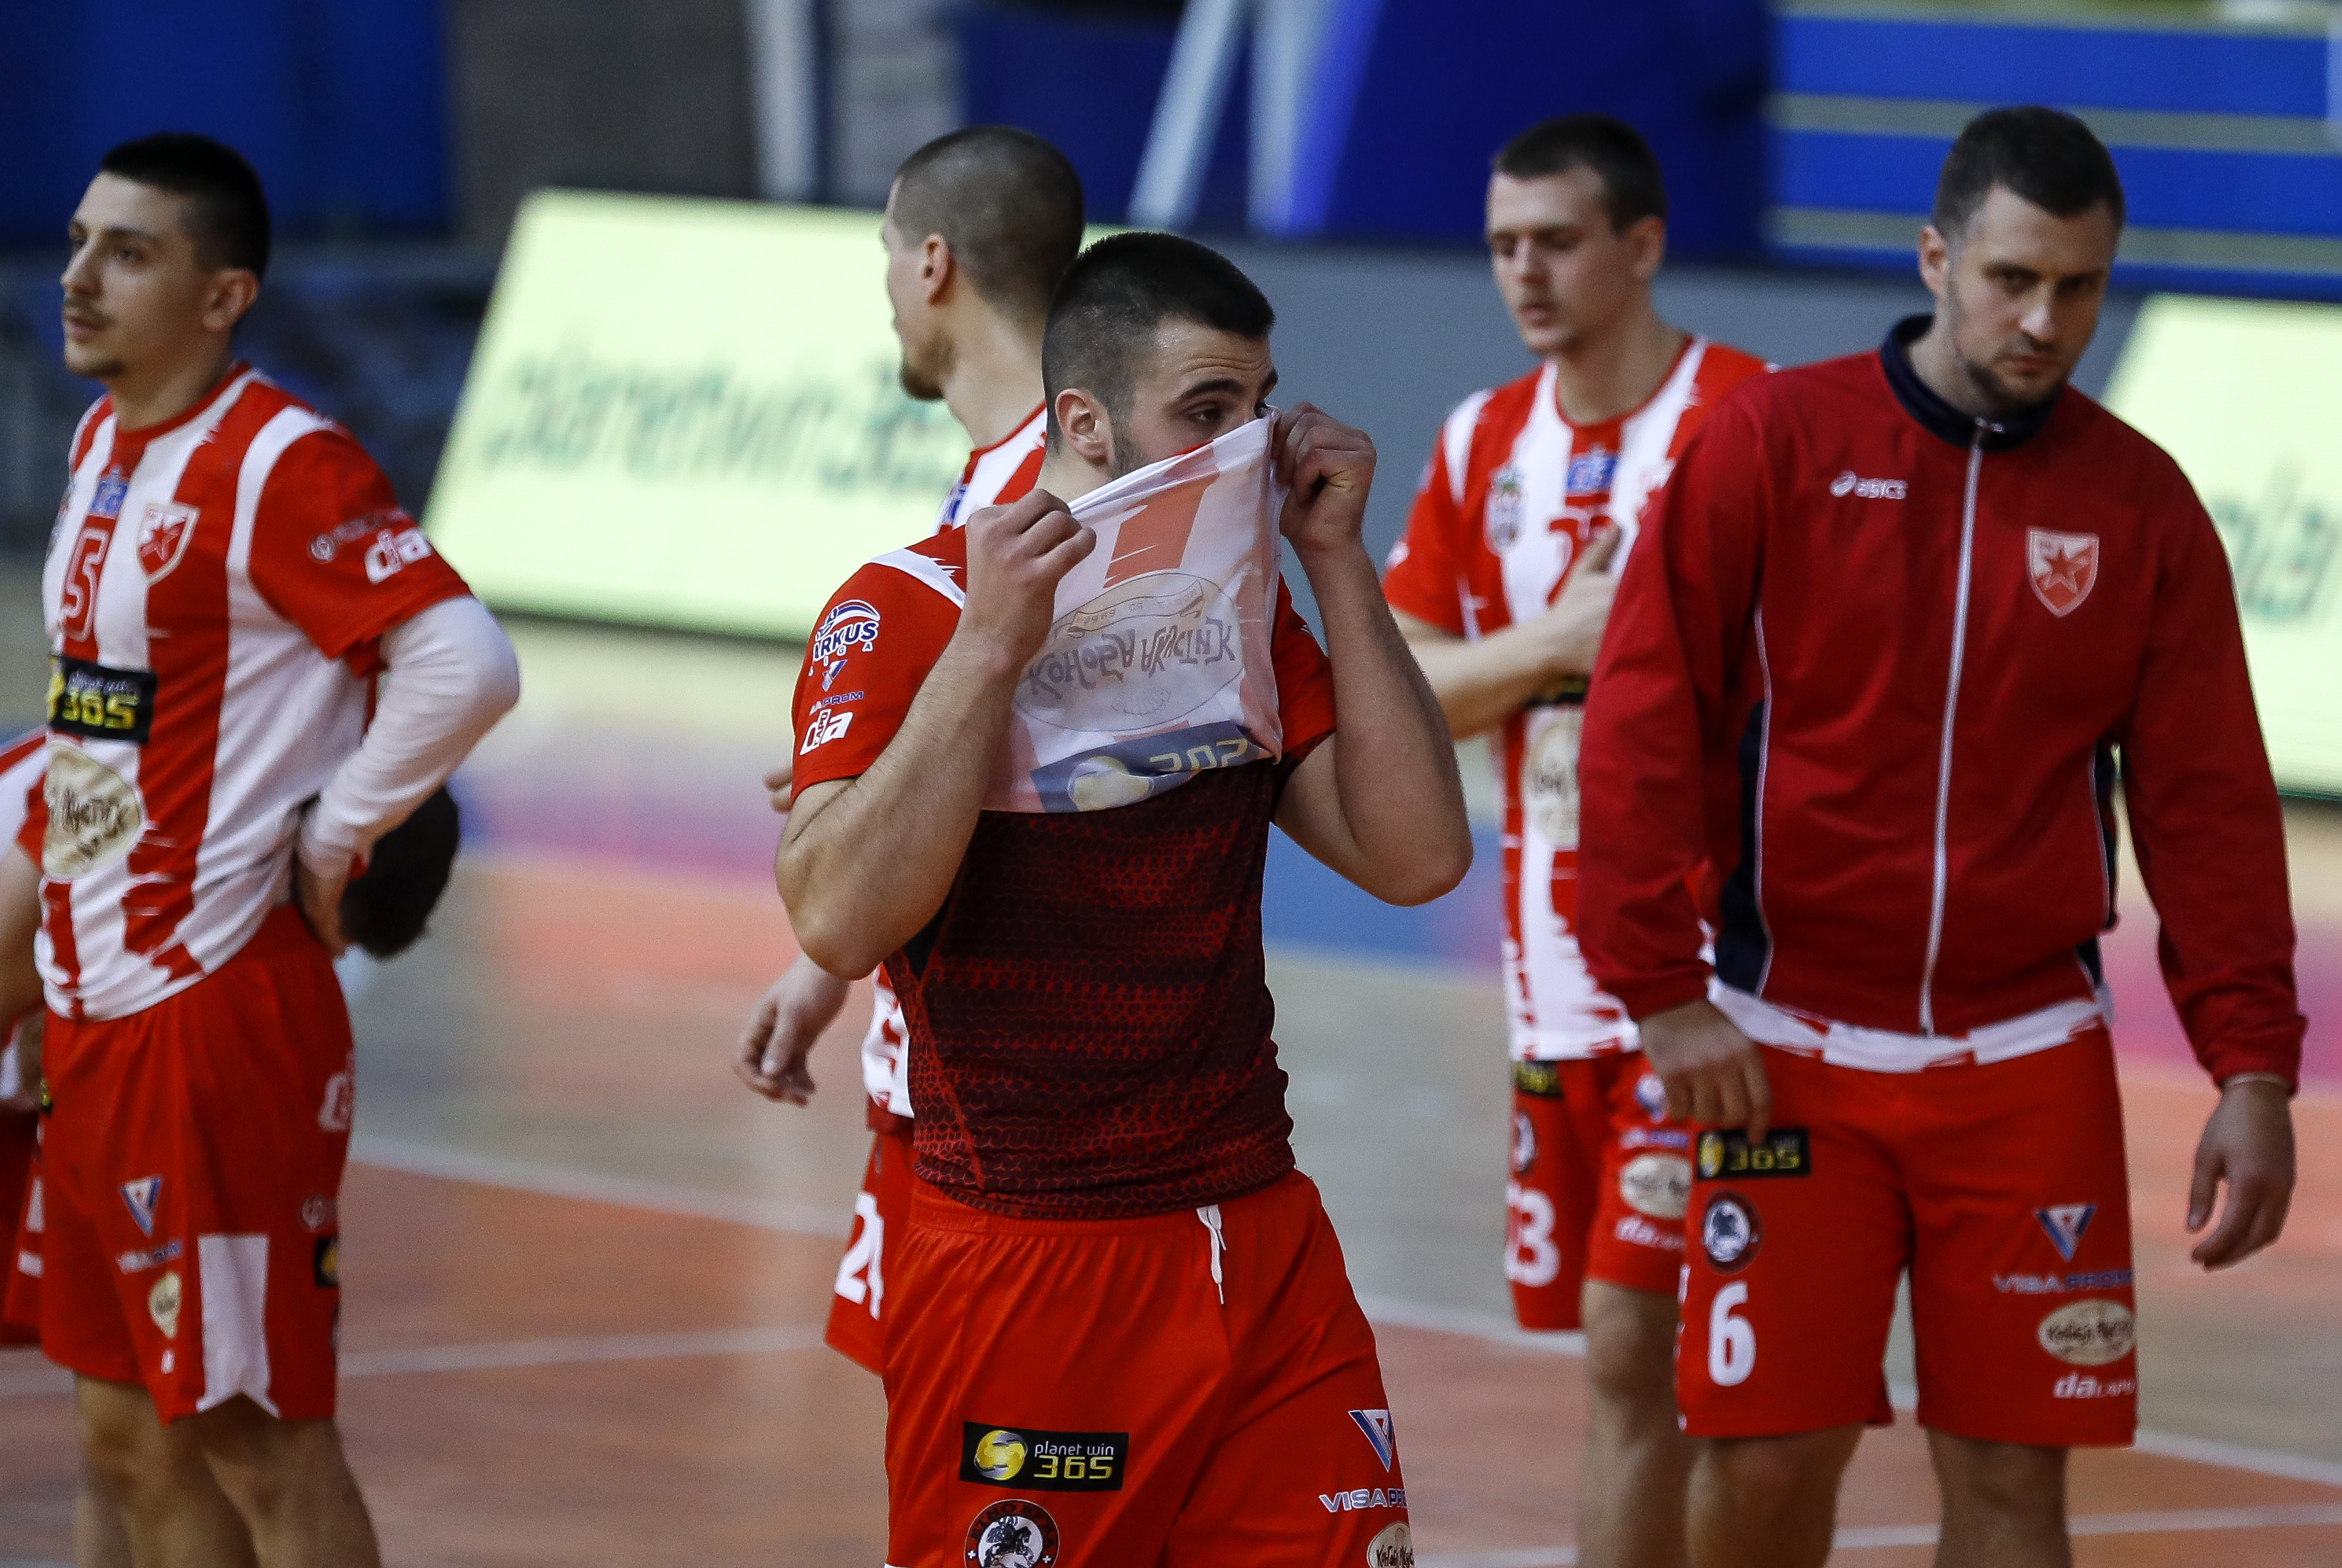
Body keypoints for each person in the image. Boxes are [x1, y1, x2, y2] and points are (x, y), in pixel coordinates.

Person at [1577, 106, 2300, 1568]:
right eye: (2011, 278)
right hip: (1782, 1063)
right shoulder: (1768, 443)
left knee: (2012, 1493)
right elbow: (1641, 724)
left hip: (2024, 1069)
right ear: (1935, 257)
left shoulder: (2143, 506)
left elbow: (2206, 804)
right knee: (1765, 1468)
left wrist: (2250, 1066)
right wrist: (1658, 991)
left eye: (2080, 287)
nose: (2044, 320)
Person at [778, 231, 1470, 1566]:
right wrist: (989, 653)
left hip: (1261, 1235)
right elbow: (835, 917)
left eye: (1258, 408)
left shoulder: (1242, 618)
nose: (1245, 451)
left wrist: (1336, 564)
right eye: (1205, 413)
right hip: (1032, 1255)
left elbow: (1414, 857)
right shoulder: (906, 607)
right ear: (1083, 424)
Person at [22, 132, 520, 1567]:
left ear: (226, 293)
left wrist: (338, 830)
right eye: (76, 243)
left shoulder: (277, 460)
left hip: (210, 1018)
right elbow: (96, 738)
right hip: (99, 1010)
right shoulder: (101, 443)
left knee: (258, 1434)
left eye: (128, 253)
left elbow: (465, 664)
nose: (78, 279)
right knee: (124, 1431)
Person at [1381, 113, 1766, 1568]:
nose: (1522, 273)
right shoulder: (1483, 442)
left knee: (1650, 1347)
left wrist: (1634, 655)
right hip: (1548, 976)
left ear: (1642, 245)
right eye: (1499, 246)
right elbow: (1402, 681)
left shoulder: (1746, 417)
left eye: (1553, 241)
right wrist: (1555, 644)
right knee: (1616, 1370)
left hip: (1713, 976)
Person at [732, 125, 1083, 1376]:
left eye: (886, 253)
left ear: (932, 263)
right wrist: (831, 961)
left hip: (1004, 1107)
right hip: (929, 1067)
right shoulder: (994, 477)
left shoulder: (1058, 485)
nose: (886, 288)